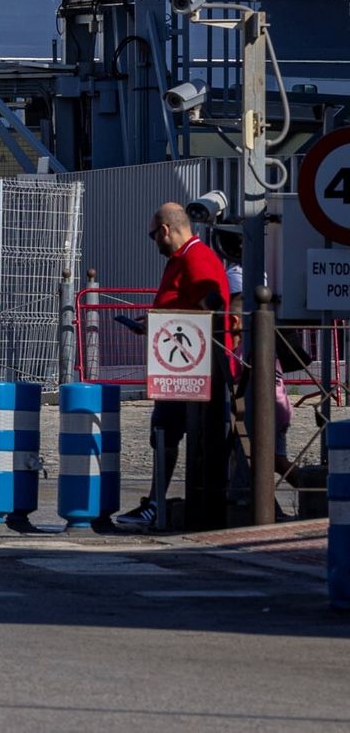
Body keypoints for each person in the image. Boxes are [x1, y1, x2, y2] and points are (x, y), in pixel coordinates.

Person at [114, 201, 236, 533]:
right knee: (166, 432)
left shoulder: (194, 258)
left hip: (190, 370)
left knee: (168, 432)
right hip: (181, 366)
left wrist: (168, 326)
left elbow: (210, 308)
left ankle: (160, 506)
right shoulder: (181, 259)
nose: (154, 242)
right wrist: (155, 322)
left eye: (154, 235)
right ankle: (160, 504)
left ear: (165, 230)